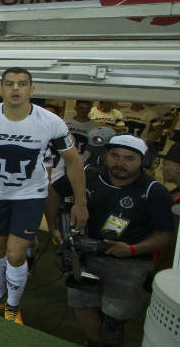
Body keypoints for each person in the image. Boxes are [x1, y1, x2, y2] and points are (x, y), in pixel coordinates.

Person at [0, 67, 88, 325]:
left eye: (22, 84)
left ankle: (13, 305)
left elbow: (73, 162)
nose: (15, 88)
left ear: (31, 90)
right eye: (9, 83)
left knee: (15, 254)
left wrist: (80, 202)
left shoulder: (51, 122)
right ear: (0, 89)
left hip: (29, 196)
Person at [45, 135, 174, 347]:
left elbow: (165, 237)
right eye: (115, 155)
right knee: (81, 302)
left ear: (142, 161)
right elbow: (52, 192)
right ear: (106, 155)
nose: (120, 163)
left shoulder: (155, 192)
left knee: (115, 315)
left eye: (129, 158)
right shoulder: (88, 174)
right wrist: (53, 227)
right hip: (84, 252)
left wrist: (132, 250)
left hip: (129, 260)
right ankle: (94, 342)